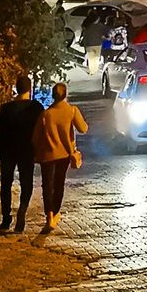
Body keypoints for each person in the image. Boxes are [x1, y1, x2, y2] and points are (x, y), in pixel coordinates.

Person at [0, 74, 43, 234]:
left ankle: (6, 219)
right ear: (29, 89)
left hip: (8, 151)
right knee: (26, 183)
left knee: (6, 184)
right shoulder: (36, 107)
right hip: (27, 150)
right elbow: (42, 128)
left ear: (16, 88)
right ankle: (22, 210)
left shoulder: (6, 108)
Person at [31, 81, 88, 233]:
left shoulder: (46, 114)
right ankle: (55, 212)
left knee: (47, 185)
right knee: (59, 183)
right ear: (65, 95)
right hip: (64, 154)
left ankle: (49, 215)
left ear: (53, 95)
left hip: (47, 154)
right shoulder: (72, 111)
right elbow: (83, 129)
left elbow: (35, 138)